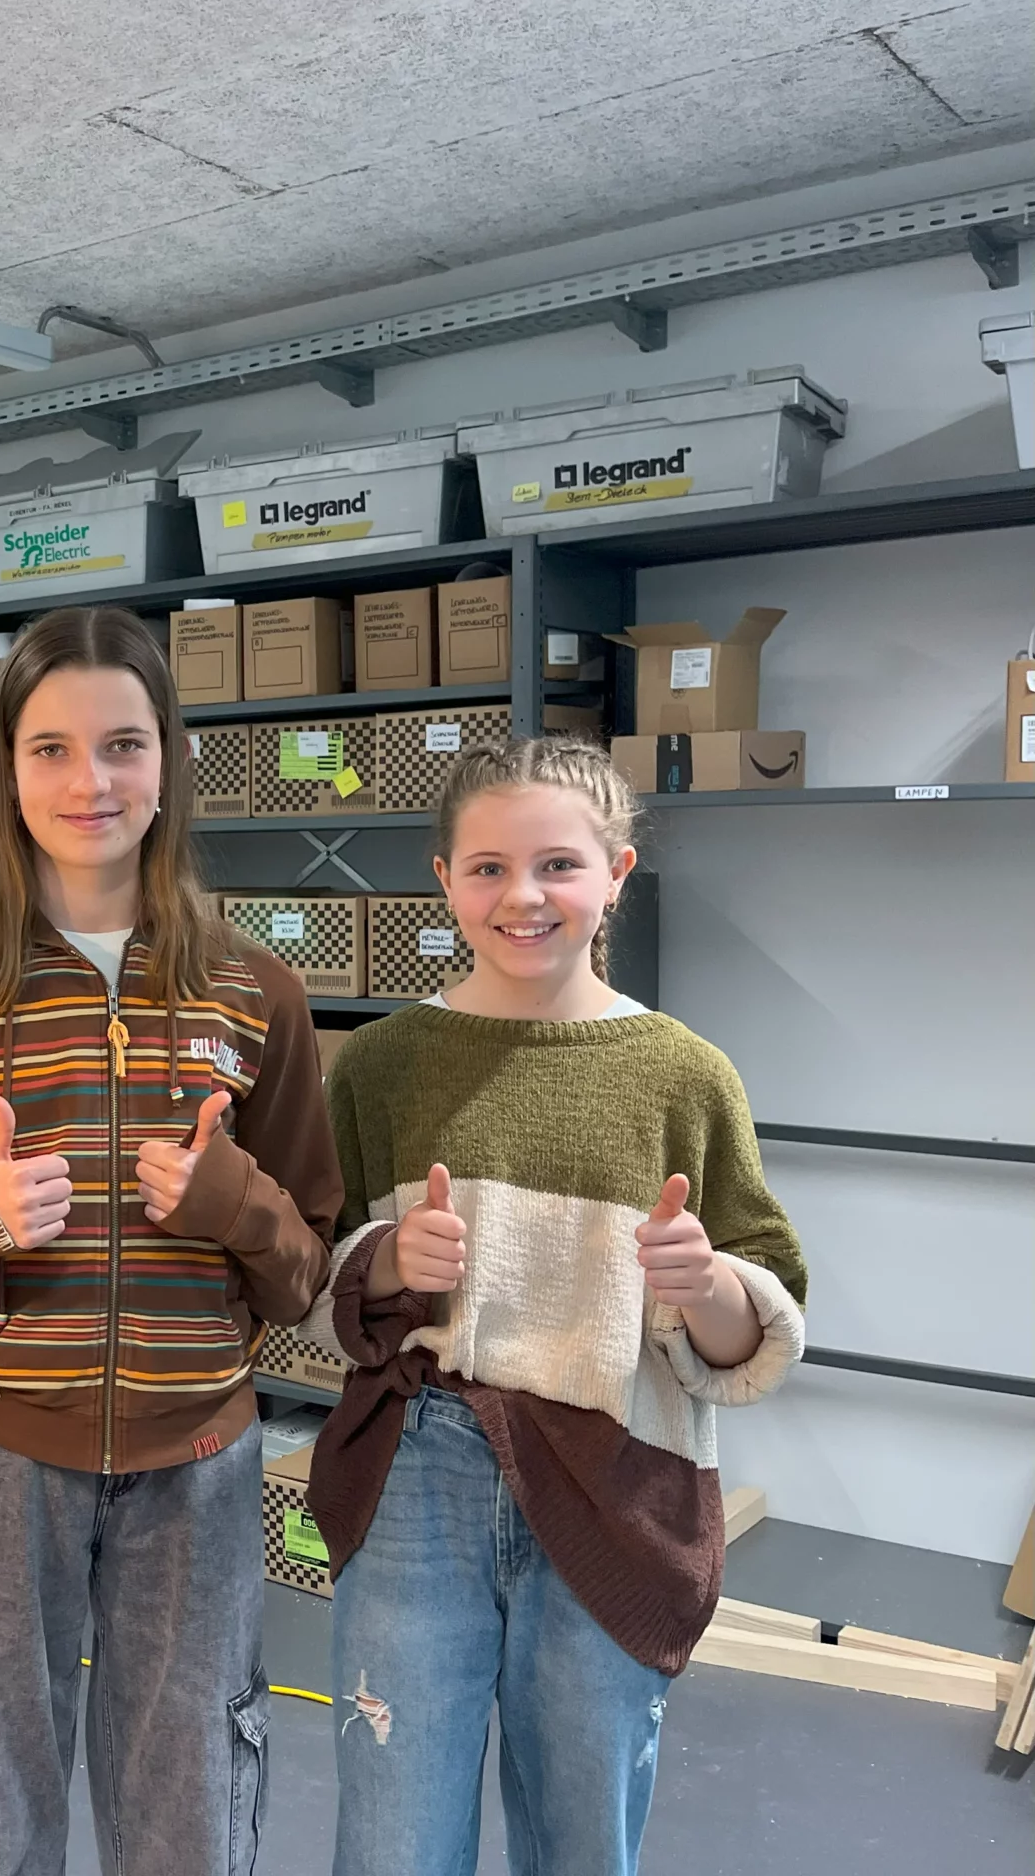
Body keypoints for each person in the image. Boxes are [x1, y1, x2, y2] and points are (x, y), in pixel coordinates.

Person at [0, 605, 341, 1875]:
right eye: (51, 748)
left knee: (188, 1784)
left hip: (197, 1463)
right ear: (6, 768)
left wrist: (231, 1201)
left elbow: (304, 1275)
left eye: (123, 745)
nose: (91, 782)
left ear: (167, 759)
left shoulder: (257, 990)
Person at [304, 735, 807, 1876]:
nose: (520, 896)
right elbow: (319, 1277)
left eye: (557, 867)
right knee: (392, 1826)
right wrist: (386, 1261)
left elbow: (752, 1326)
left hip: (617, 1474)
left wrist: (709, 1284)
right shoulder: (380, 1067)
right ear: (441, 880)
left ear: (616, 874)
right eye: (485, 867)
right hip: (416, 1473)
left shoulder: (686, 1074)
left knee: (583, 1825)